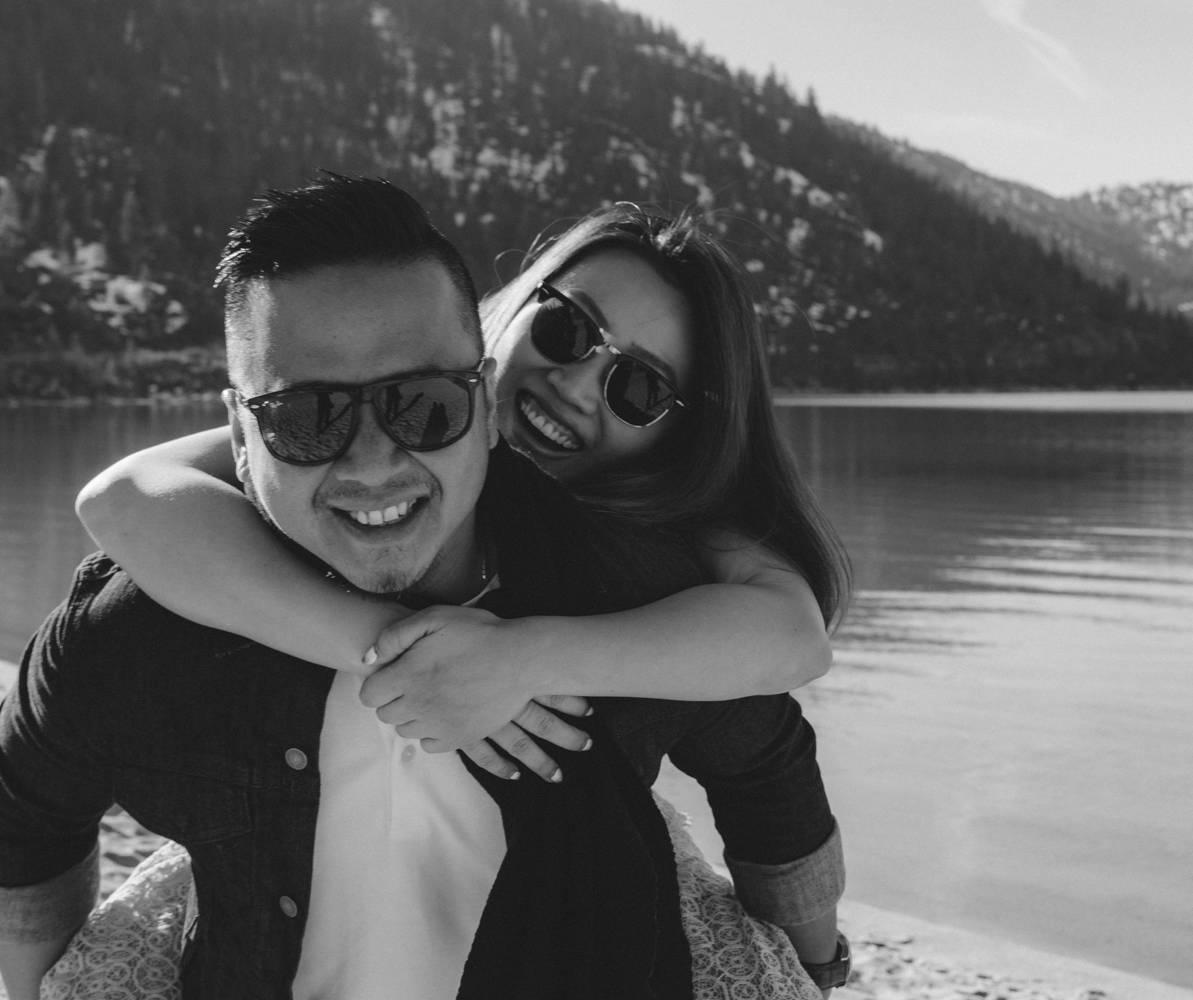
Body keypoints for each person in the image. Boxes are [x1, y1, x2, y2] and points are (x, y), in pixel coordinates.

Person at [0, 176, 844, 1000]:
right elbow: (117, 516)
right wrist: (388, 649)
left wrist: (529, 659)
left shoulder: (648, 587)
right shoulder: (163, 607)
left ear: (473, 400)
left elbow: (773, 731)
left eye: (424, 406)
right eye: (567, 327)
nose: (572, 384)